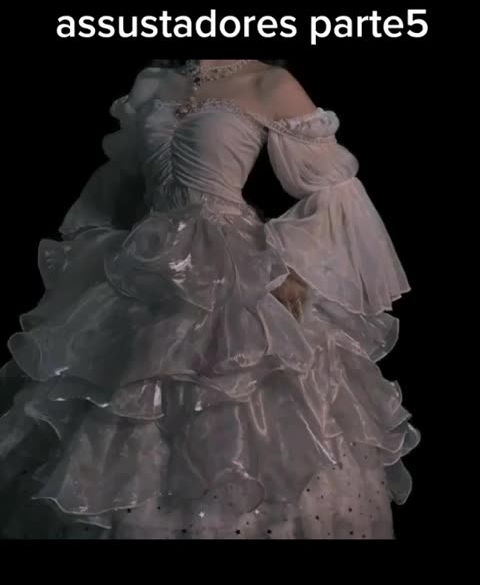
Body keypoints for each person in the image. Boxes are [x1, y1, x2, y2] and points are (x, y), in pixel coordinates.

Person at [0, 59, 420, 539]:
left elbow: (337, 190)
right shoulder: (152, 82)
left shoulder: (268, 82)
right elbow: (123, 188)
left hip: (234, 262)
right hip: (146, 266)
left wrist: (294, 265)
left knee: (243, 398)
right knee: (123, 405)